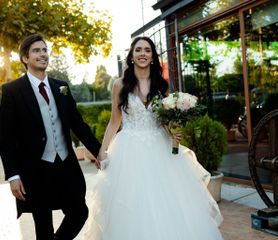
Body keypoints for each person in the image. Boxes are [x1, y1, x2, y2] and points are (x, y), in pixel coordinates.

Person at [80, 36, 223, 240]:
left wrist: (174, 132)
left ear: (153, 56)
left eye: (147, 50)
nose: (142, 54)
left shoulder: (161, 85)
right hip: (128, 151)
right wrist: (102, 151)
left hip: (160, 148)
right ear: (131, 56)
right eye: (138, 50)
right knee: (132, 203)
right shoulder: (120, 85)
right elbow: (114, 121)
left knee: (169, 203)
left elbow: (166, 119)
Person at [0, 33, 101, 240]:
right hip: (35, 170)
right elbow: (6, 137)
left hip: (65, 164)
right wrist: (13, 175)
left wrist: (100, 152)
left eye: (45, 50)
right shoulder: (12, 91)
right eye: (36, 50)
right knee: (43, 225)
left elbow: (78, 124)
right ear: (25, 58)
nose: (43, 54)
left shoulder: (60, 86)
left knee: (79, 212)